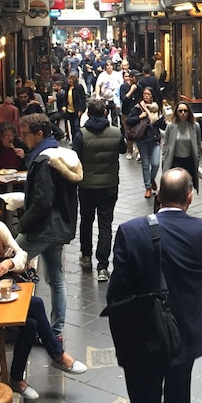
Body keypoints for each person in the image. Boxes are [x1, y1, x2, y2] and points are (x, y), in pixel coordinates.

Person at [107, 168, 202, 403]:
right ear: (190, 197)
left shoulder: (131, 231)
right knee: (178, 395)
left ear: (158, 195)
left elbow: (117, 290)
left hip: (144, 331)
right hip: (185, 329)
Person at [0, 205, 87, 402]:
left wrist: (10, 263)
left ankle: (18, 378)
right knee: (36, 304)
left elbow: (22, 255)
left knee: (31, 324)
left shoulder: (0, 230)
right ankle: (55, 356)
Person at [16, 113, 83, 341]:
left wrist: (23, 223)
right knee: (56, 279)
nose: (23, 139)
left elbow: (42, 201)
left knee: (8, 263)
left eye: (25, 134)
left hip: (42, 229)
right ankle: (55, 331)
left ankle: (16, 324)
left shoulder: (43, 160)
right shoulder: (60, 155)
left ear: (39, 134)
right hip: (57, 227)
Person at [72, 98, 126, 282]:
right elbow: (123, 150)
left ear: (88, 113)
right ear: (105, 113)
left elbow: (75, 159)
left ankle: (86, 256)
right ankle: (102, 266)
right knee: (105, 225)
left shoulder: (81, 135)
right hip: (109, 186)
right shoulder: (116, 132)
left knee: (86, 221)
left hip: (86, 186)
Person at [126, 87, 164, 199]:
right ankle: (148, 187)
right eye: (144, 94)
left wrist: (165, 120)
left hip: (154, 139)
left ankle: (151, 179)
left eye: (148, 94)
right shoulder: (138, 108)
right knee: (146, 164)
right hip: (142, 139)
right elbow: (128, 121)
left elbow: (160, 125)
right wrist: (139, 117)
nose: (146, 96)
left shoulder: (157, 108)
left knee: (156, 164)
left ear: (152, 95)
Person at [161, 103, 202, 192]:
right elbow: (166, 143)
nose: (183, 113)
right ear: (176, 112)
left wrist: (198, 156)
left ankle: (185, 202)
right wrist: (164, 158)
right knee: (176, 186)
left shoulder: (195, 126)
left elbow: (198, 143)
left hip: (189, 161)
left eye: (185, 111)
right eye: (180, 111)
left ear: (189, 112)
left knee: (188, 186)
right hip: (175, 160)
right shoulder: (171, 126)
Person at [120, 69, 143, 160]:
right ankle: (129, 150)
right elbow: (124, 99)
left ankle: (139, 151)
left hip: (137, 113)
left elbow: (141, 100)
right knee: (128, 132)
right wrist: (132, 90)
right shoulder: (123, 87)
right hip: (126, 113)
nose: (137, 79)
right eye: (135, 77)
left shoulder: (139, 87)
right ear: (131, 77)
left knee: (138, 131)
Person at [96, 61, 124, 127]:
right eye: (107, 65)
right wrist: (97, 94)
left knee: (115, 118)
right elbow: (98, 85)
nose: (109, 67)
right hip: (104, 99)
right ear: (105, 67)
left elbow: (121, 85)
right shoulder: (102, 75)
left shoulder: (117, 75)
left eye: (110, 65)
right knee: (103, 118)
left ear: (113, 66)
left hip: (114, 100)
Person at [64, 73, 87, 140]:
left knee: (76, 125)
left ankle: (79, 139)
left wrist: (81, 109)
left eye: (70, 79)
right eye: (68, 79)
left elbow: (83, 98)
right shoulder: (67, 88)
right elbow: (65, 98)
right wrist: (64, 106)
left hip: (77, 110)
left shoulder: (79, 87)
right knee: (72, 126)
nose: (69, 81)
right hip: (69, 110)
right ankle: (74, 140)